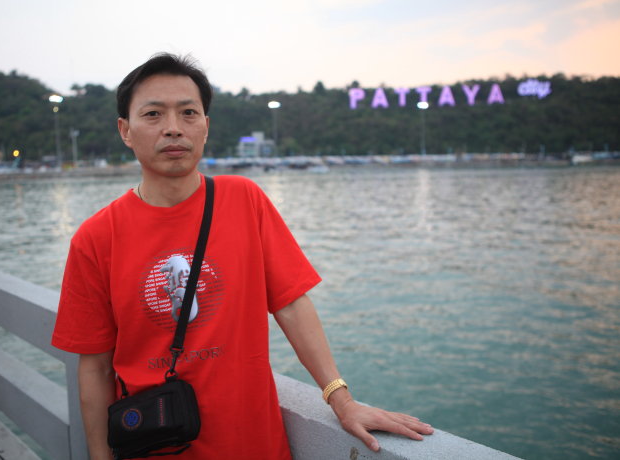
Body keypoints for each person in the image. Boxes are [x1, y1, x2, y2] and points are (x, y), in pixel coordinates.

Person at [52, 53, 433, 459]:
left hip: (256, 445)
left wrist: (342, 399)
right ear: (125, 130)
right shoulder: (96, 238)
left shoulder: (244, 201)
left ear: (206, 126)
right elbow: (94, 367)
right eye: (153, 114)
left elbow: (291, 305)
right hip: (154, 447)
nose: (173, 127)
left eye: (188, 113)